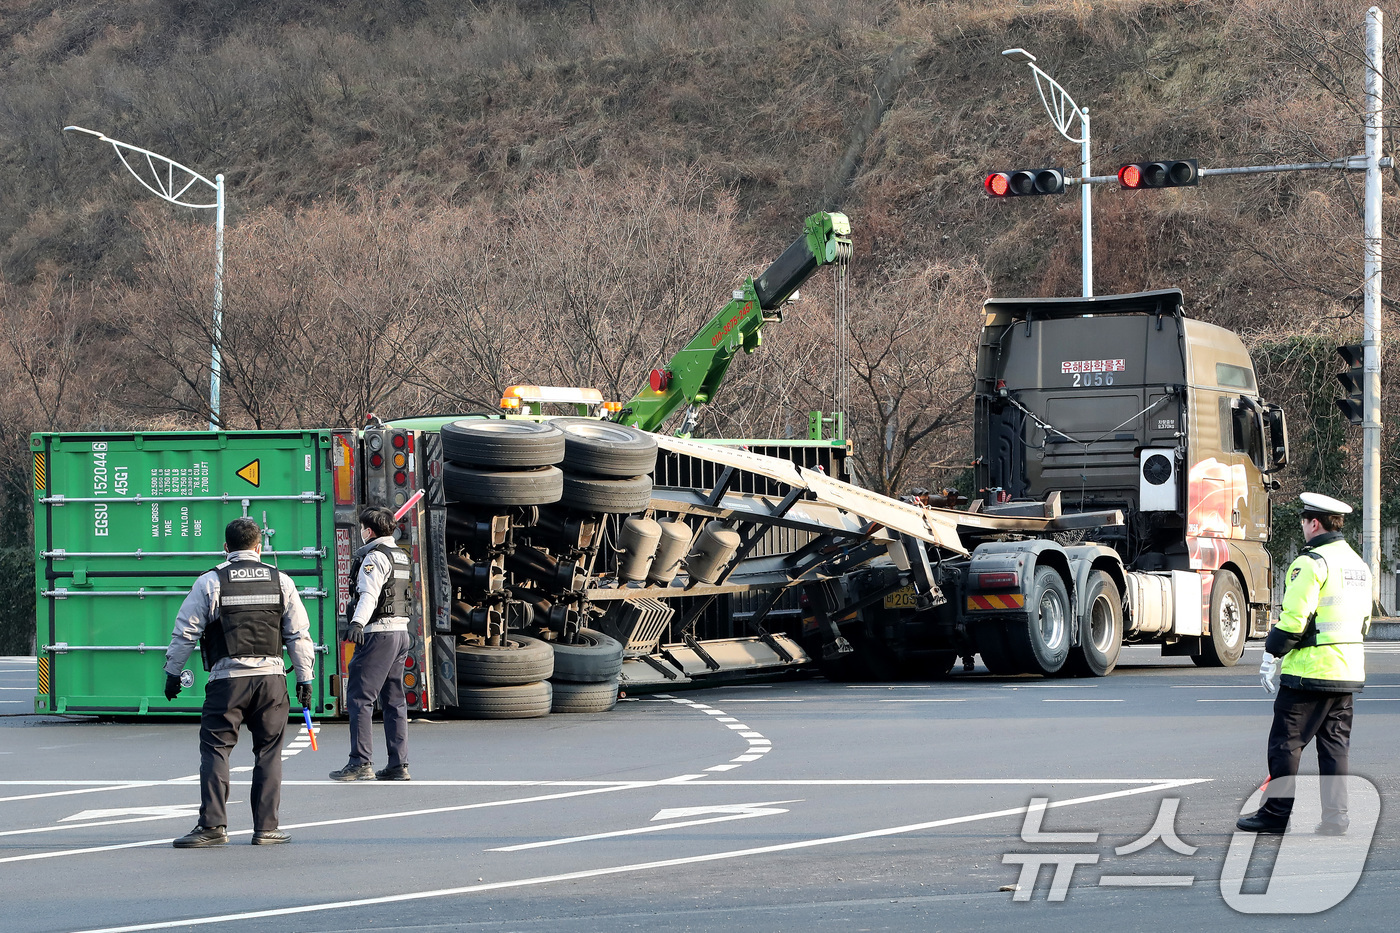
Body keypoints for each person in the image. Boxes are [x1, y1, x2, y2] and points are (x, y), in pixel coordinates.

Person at [163, 517, 316, 847]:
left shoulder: (210, 582)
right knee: (269, 752)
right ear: (260, 548)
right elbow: (298, 634)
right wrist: (305, 678)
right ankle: (266, 829)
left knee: (217, 749)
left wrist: (173, 673)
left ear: (226, 548)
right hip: (272, 681)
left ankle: (213, 827)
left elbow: (185, 632)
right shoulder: (282, 581)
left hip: (227, 681)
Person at [1237, 492, 1371, 836]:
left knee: (1285, 745)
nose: (1302, 528)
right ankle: (1336, 819)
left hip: (1309, 673)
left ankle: (1275, 815)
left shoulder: (1310, 564)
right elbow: (1365, 622)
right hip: (1347, 672)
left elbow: (1294, 620)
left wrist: (1271, 655)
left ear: (1314, 523)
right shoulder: (1359, 565)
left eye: (1303, 522)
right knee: (1335, 748)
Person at [330, 506, 413, 782]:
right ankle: (398, 764)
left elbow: (369, 594)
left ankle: (360, 762)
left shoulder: (374, 558)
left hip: (378, 633)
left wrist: (357, 623)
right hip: (401, 633)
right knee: (394, 701)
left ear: (369, 531)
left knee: (359, 697)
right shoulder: (401, 556)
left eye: (363, 527)